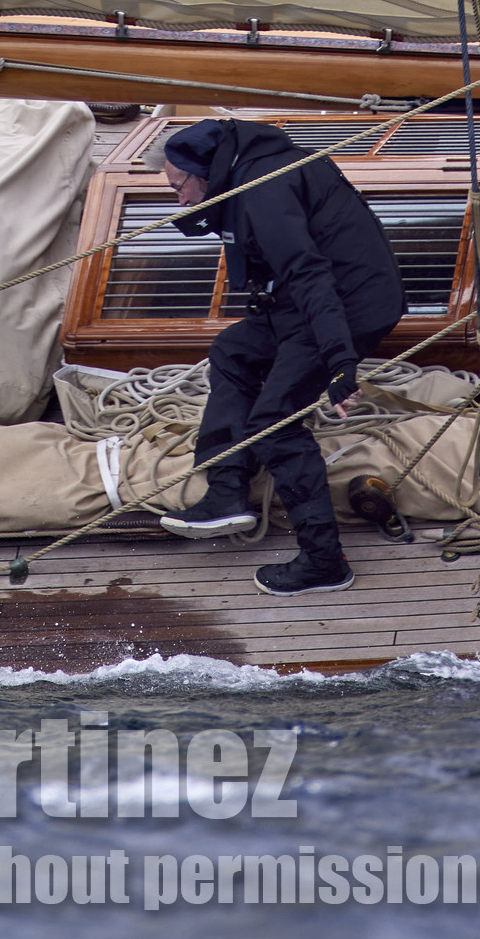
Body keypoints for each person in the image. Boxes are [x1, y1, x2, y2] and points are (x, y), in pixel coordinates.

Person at [154, 118, 406, 596]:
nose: (179, 199)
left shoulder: (263, 190)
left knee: (275, 423)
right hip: (298, 305)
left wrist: (340, 361)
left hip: (344, 308)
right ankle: (227, 490)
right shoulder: (244, 170)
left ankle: (324, 561)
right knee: (232, 350)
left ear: (203, 173)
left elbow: (309, 274)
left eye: (177, 187)